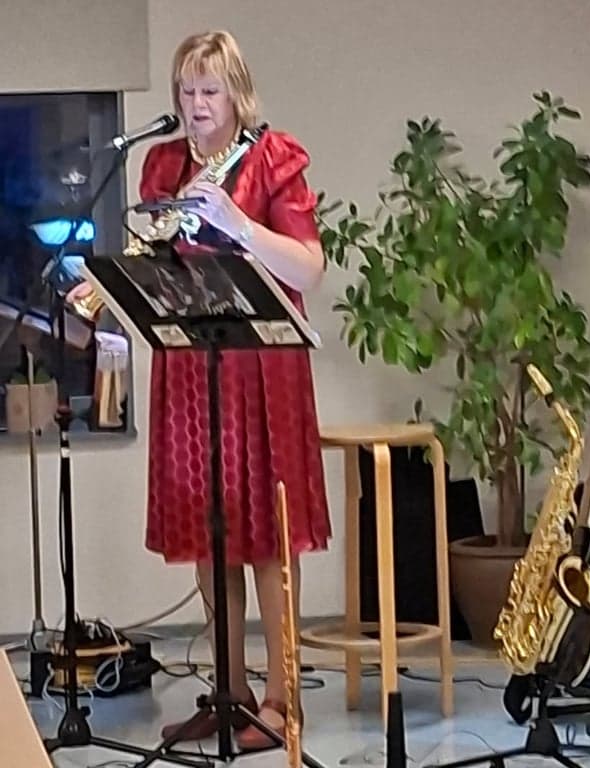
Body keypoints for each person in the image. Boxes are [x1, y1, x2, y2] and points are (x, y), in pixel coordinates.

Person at [69, 30, 331, 750]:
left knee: (268, 536)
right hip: (193, 368)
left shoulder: (273, 159)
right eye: (185, 91)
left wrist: (238, 225)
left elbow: (308, 269)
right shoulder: (164, 164)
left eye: (209, 90)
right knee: (213, 533)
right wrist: (103, 288)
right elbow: (159, 258)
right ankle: (230, 692)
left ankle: (282, 703)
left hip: (262, 369)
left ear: (237, 93)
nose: (195, 104)